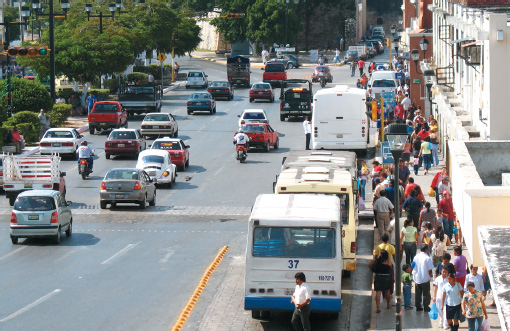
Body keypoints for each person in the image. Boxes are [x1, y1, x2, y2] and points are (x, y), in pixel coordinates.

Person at [412, 244, 435, 312]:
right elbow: (430, 269)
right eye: (428, 249)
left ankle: (418, 306)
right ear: (426, 250)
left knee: (418, 293)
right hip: (425, 278)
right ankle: (426, 306)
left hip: (417, 278)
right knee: (426, 293)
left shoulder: (416, 256)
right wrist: (430, 276)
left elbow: (412, 265)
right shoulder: (427, 258)